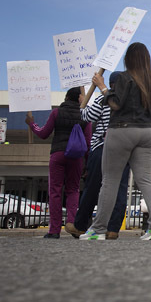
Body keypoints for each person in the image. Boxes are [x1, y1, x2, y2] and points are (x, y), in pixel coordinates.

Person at [81, 42, 151, 240]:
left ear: (128, 59)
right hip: (146, 132)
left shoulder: (123, 77)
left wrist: (102, 86)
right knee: (145, 179)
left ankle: (98, 229)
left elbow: (115, 104)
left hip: (121, 130)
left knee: (110, 180)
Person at [68, 72, 130, 240]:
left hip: (102, 146)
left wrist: (83, 105)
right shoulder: (129, 101)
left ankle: (80, 225)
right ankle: (113, 228)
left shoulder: (103, 98)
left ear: (110, 83)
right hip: (124, 148)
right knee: (120, 188)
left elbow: (89, 117)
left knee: (93, 187)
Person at [26, 87, 92, 239]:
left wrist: (32, 124)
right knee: (73, 190)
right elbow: (88, 143)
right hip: (76, 157)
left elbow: (43, 134)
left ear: (67, 97)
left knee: (55, 191)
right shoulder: (85, 116)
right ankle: (72, 224)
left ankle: (54, 230)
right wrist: (87, 164)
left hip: (58, 154)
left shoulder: (56, 113)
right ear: (80, 98)